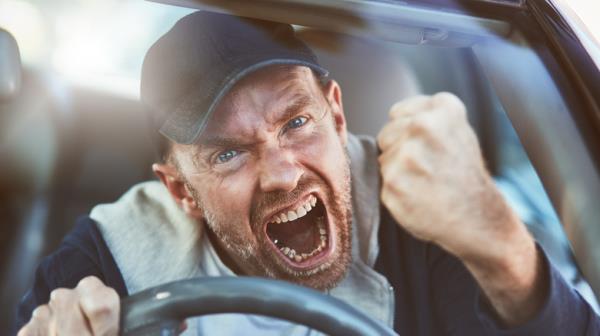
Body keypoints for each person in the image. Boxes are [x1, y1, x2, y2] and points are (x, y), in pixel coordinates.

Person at [15, 11, 600, 336]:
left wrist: (499, 242)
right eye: (227, 154)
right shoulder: (109, 256)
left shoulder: (422, 218)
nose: (282, 174)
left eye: (296, 121)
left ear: (338, 114)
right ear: (180, 191)